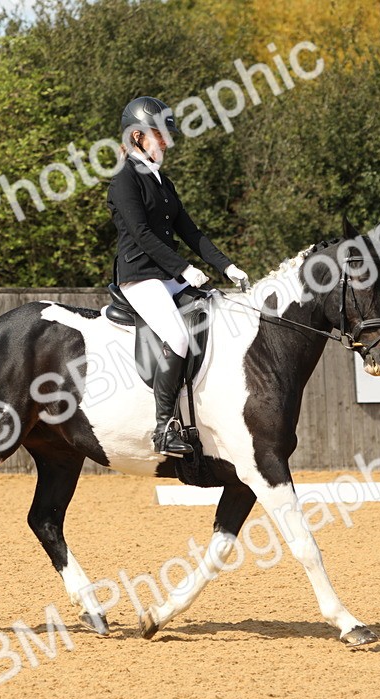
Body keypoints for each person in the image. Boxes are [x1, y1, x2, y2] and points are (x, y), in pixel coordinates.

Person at [107, 96, 248, 457]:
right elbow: (142, 234)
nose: (166, 142)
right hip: (140, 276)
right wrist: (183, 269)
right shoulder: (125, 181)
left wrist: (227, 267)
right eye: (158, 135)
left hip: (166, 275)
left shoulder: (162, 182)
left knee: (215, 312)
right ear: (137, 138)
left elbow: (191, 231)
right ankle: (164, 428)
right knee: (178, 335)